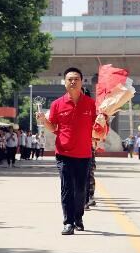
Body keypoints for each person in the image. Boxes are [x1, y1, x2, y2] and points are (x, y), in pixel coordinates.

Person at [36, 67, 97, 235]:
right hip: (63, 153)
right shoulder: (57, 104)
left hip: (84, 154)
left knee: (80, 190)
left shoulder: (91, 104)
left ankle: (78, 217)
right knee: (67, 188)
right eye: (69, 79)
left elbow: (97, 127)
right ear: (64, 82)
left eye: (76, 78)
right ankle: (68, 222)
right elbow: (52, 126)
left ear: (81, 81)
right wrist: (43, 121)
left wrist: (103, 122)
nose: (73, 81)